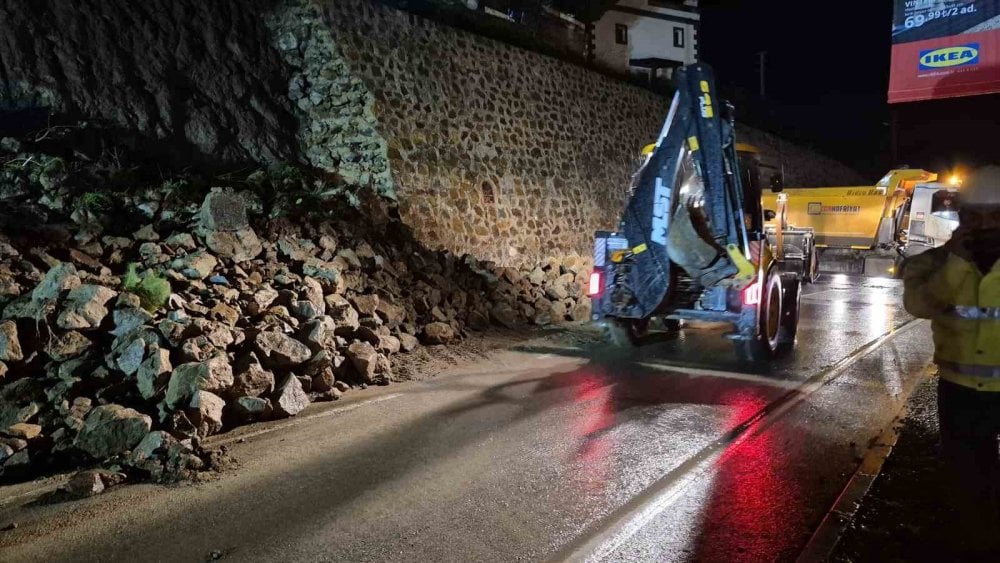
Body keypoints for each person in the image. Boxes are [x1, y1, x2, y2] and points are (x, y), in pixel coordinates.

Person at [903, 165, 1000, 549]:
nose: (984, 226)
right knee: (968, 480)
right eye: (974, 216)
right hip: (960, 393)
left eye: (995, 217)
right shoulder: (931, 264)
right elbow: (918, 304)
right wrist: (958, 263)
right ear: (960, 217)